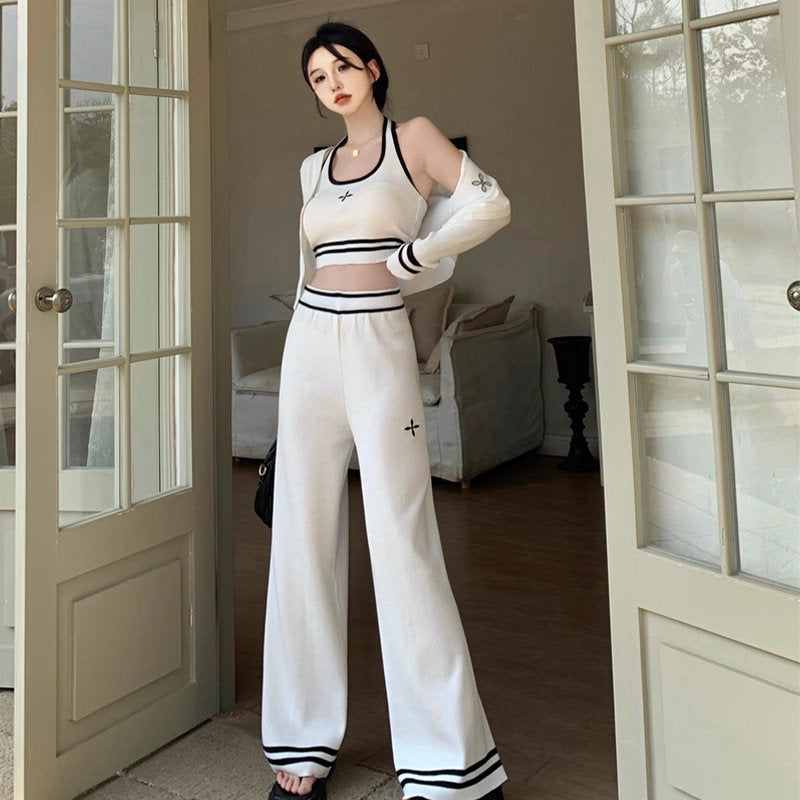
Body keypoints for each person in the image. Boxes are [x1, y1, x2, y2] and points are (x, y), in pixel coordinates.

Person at [262, 21, 511, 800]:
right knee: (301, 536)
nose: (332, 83)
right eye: (317, 76)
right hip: (311, 342)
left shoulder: (416, 140)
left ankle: (449, 765)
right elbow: (306, 266)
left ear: (371, 68)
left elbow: (490, 204)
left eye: (341, 66)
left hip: (378, 344)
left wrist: (414, 257)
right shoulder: (312, 168)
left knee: (402, 539)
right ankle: (301, 743)